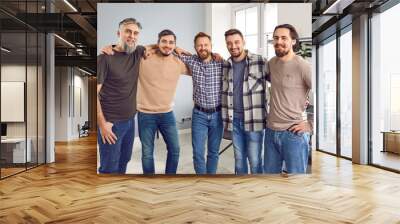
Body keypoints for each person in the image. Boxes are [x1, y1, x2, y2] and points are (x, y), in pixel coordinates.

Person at [137, 29, 190, 174]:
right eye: (164, 41)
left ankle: (169, 178)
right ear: (158, 42)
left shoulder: (178, 62)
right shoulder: (144, 57)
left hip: (167, 114)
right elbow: (128, 50)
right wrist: (150, 47)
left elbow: (198, 65)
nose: (167, 45)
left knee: (175, 149)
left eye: (171, 42)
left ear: (175, 44)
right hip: (145, 114)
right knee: (147, 153)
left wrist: (181, 51)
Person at [97, 18, 145, 174]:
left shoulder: (137, 52)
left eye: (135, 33)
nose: (132, 36)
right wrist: (102, 123)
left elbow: (160, 47)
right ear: (119, 33)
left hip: (130, 121)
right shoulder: (105, 58)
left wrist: (177, 48)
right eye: (128, 31)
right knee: (109, 167)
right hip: (112, 124)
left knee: (124, 160)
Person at [263, 24, 313, 174]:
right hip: (271, 132)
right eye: (276, 38)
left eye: (284, 38)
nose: (279, 42)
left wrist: (311, 125)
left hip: (293, 135)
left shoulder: (303, 66)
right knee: (270, 182)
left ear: (293, 41)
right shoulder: (272, 63)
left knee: (296, 183)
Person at [221, 29, 267, 174]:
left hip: (254, 121)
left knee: (255, 160)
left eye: (236, 42)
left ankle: (256, 191)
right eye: (229, 43)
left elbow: (280, 82)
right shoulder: (225, 65)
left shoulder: (260, 61)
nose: (233, 46)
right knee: (239, 159)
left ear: (243, 42)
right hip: (234, 121)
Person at [177, 32, 224, 174]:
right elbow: (168, 48)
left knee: (213, 152)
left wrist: (218, 55)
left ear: (211, 46)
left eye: (206, 45)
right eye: (199, 45)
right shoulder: (191, 61)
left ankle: (210, 180)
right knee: (198, 152)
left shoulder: (221, 63)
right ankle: (201, 181)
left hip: (217, 115)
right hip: (199, 115)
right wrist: (178, 49)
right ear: (195, 47)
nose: (203, 47)